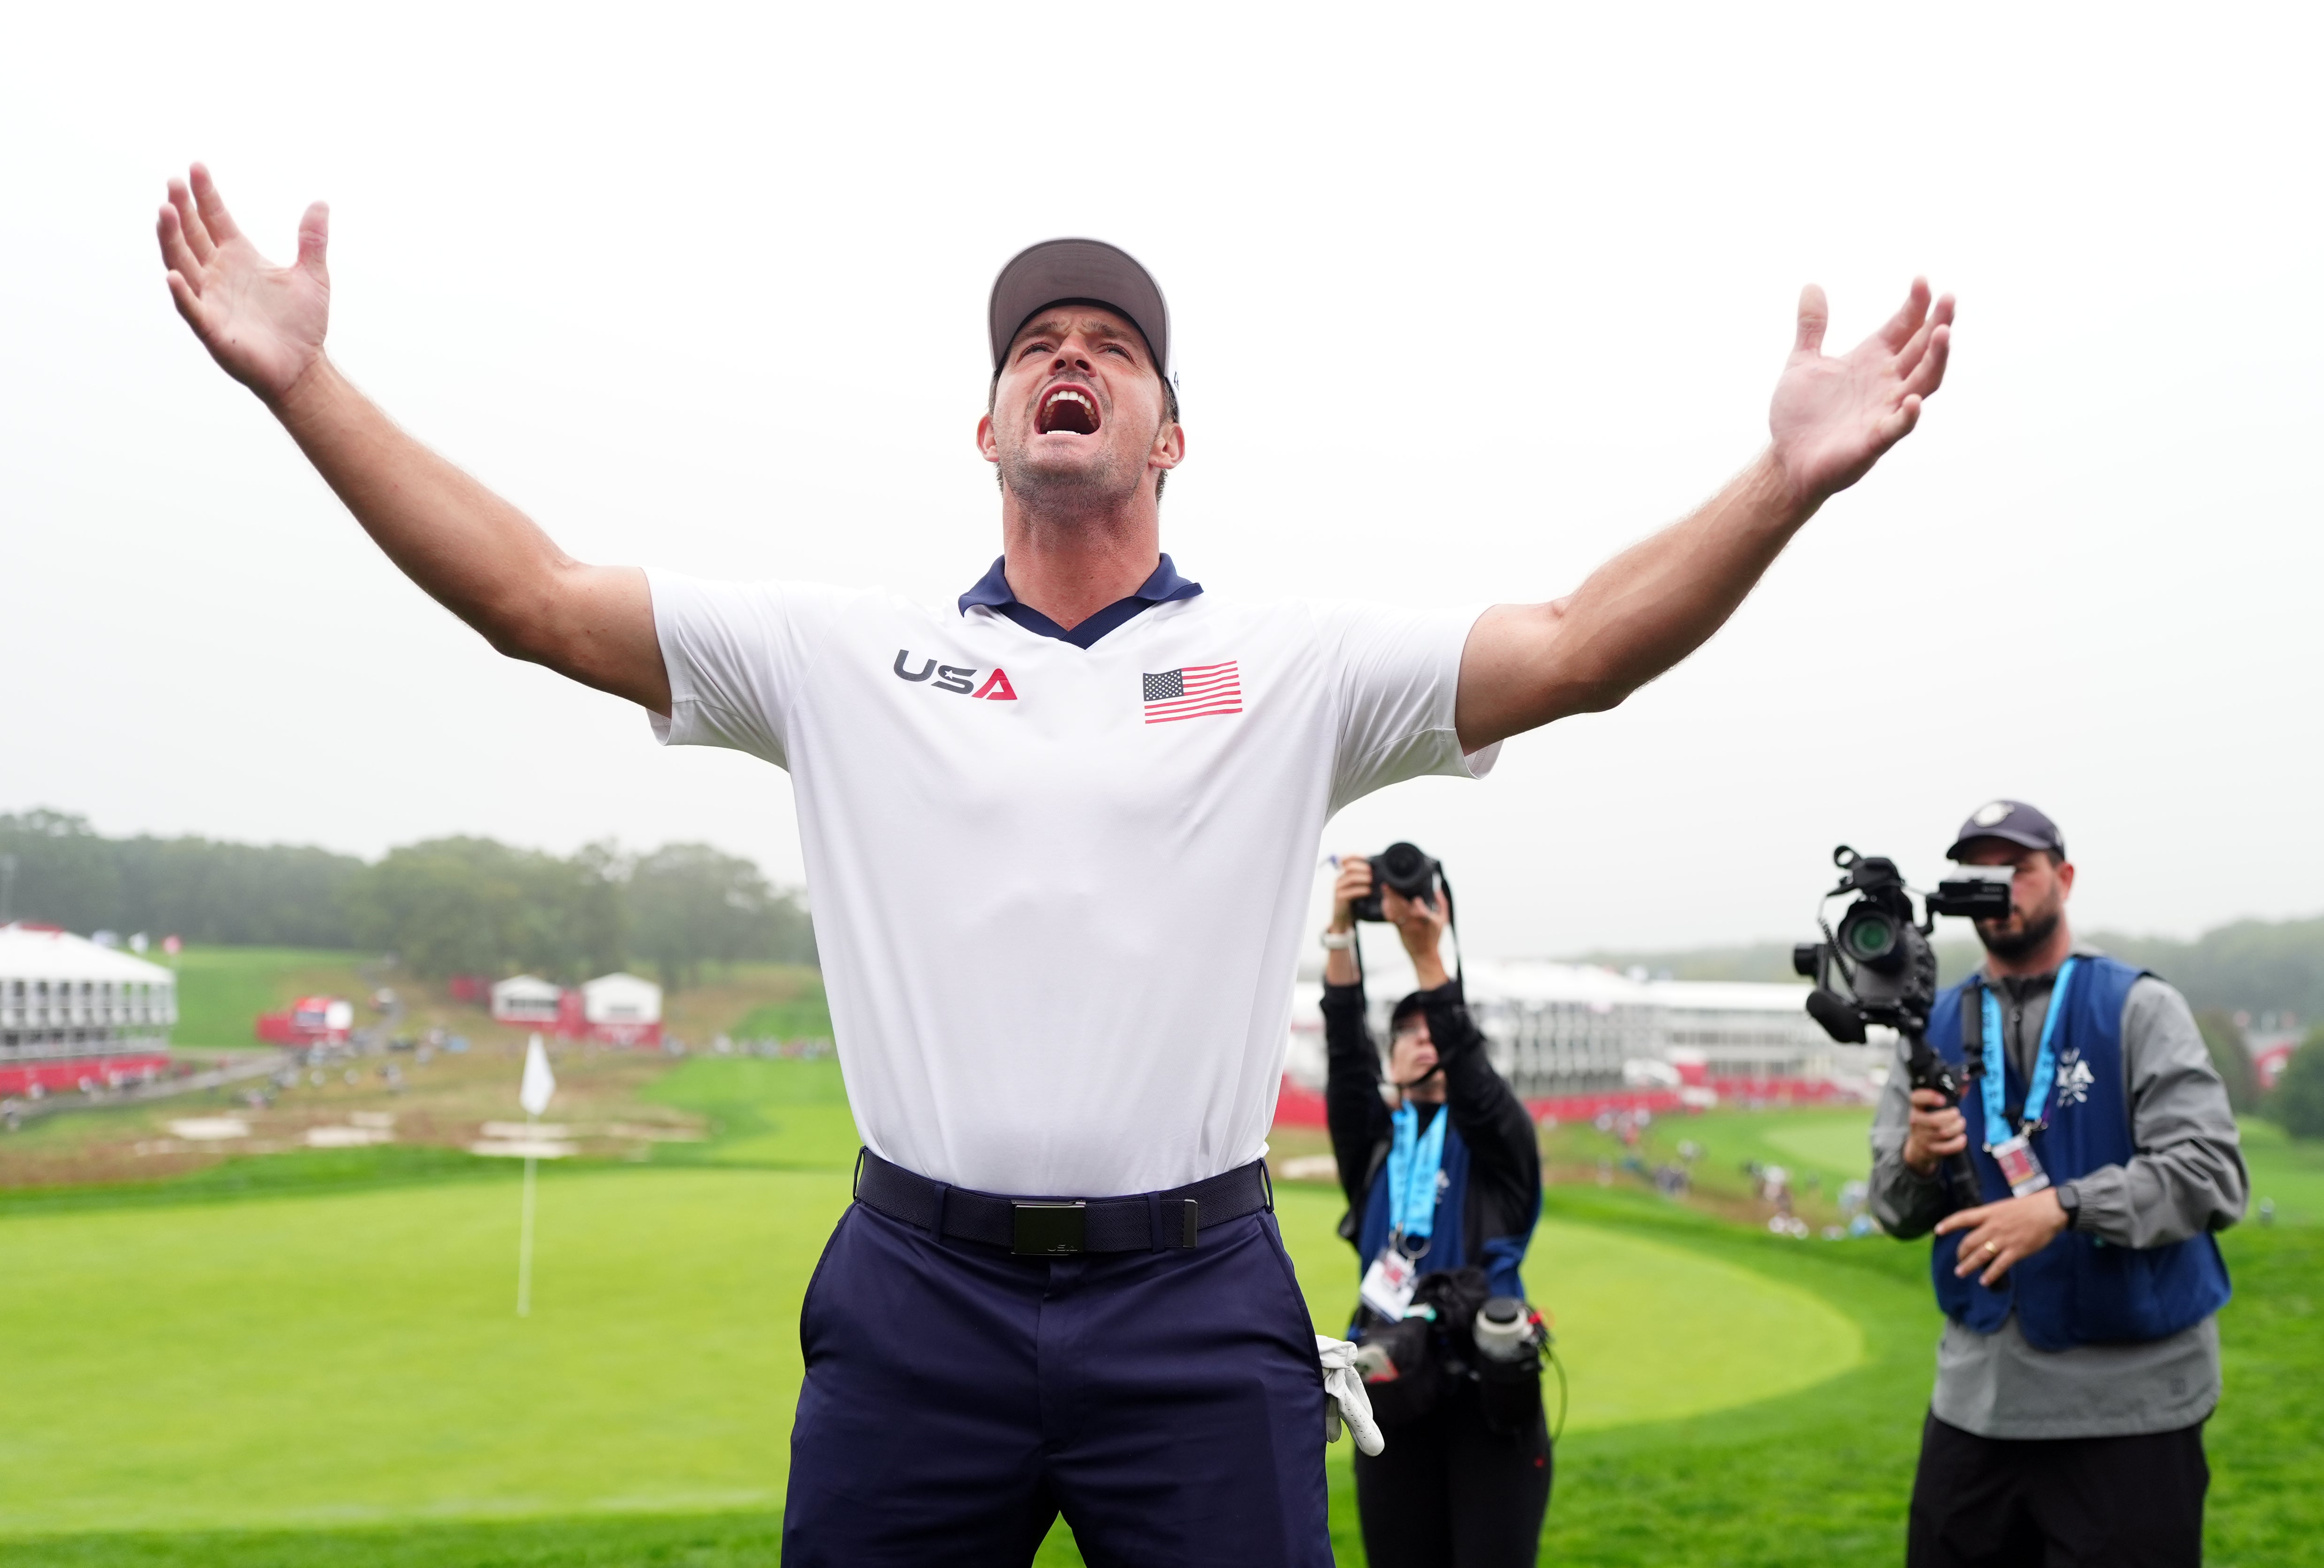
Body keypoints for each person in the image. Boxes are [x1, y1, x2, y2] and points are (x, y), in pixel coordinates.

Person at [155, 164, 1954, 1566]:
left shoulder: (1294, 664)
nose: (1065, 356)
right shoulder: (838, 654)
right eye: (1033, 344)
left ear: (1170, 434)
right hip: (914, 1295)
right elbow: (531, 598)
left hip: (1195, 1302)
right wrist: (307, 385)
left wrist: (1779, 482)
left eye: (1108, 344)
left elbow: (1569, 645)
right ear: (990, 423)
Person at [1869, 801, 2246, 1568]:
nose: (1996, 886)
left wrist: (2063, 1207)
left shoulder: (2137, 1005)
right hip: (1976, 1407)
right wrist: (1913, 1159)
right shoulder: (1930, 1022)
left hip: (2131, 1409)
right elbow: (1890, 1211)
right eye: (1977, 872)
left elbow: (2210, 1176)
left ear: (2063, 879)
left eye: (2018, 867)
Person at [1322, 855, 1546, 1566]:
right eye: (1407, 1032)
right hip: (1388, 1389)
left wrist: (1427, 956)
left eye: (1435, 1032)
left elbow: (1475, 1084)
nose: (1423, 1038)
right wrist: (1338, 936)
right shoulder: (1377, 1148)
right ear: (1393, 1057)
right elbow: (1345, 1059)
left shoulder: (1497, 1142)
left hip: (1486, 1393)